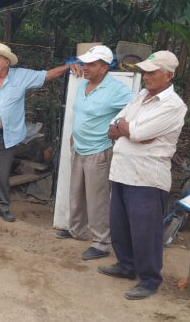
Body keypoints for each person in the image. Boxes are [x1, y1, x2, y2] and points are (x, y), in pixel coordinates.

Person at [97, 51, 187, 300]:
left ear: (168, 75)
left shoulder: (173, 105)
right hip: (123, 171)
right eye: (145, 71)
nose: (146, 76)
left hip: (147, 176)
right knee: (120, 224)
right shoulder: (141, 96)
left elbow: (139, 131)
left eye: (152, 72)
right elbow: (115, 126)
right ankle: (126, 266)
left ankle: (149, 279)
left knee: (145, 231)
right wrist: (129, 129)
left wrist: (130, 129)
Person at [0, 42, 78, 222]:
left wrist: (67, 67)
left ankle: (2, 207)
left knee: (3, 175)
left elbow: (47, 75)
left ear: (6, 63)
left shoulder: (21, 77)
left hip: (7, 138)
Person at [54, 45, 134, 261]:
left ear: (105, 68)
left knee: (97, 198)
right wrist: (73, 133)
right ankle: (76, 230)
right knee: (76, 191)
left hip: (98, 150)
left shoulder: (116, 90)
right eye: (85, 63)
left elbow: (136, 109)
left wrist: (118, 130)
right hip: (79, 146)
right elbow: (80, 112)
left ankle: (101, 242)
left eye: (92, 64)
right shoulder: (84, 84)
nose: (86, 67)